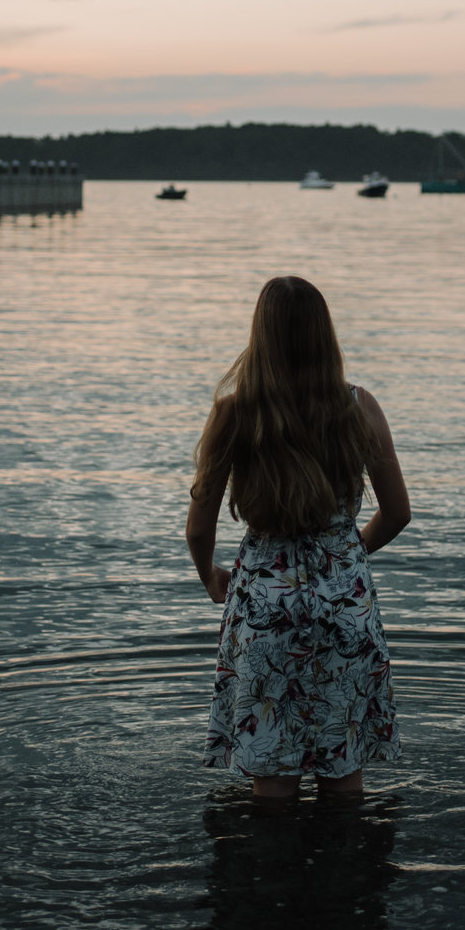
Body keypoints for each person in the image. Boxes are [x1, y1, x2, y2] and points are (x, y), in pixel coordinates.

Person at [190, 275, 412, 803]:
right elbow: (397, 513)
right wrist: (344, 557)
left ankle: (272, 880)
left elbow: (200, 526)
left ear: (260, 336)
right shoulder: (359, 406)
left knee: (272, 775)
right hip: (345, 603)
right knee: (343, 771)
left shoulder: (235, 413)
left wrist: (211, 576)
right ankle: (349, 878)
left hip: (265, 601)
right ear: (324, 334)